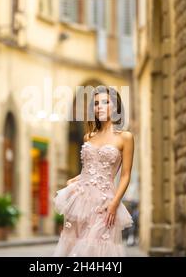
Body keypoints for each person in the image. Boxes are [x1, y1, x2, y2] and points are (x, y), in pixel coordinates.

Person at [53, 86, 135, 257]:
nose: (100, 107)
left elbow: (125, 175)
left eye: (105, 102)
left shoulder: (125, 137)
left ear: (115, 107)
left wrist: (114, 204)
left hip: (105, 203)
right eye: (96, 104)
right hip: (81, 200)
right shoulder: (88, 137)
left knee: (97, 248)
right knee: (74, 246)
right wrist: (74, 181)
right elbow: (89, 170)